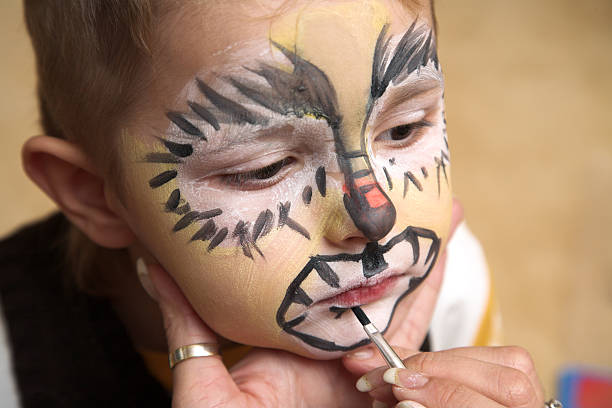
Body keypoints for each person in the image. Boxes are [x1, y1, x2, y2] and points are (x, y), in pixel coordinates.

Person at [0, 0, 552, 406]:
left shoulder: (453, 287)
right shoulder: (12, 362)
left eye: (405, 129)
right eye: (262, 167)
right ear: (95, 195)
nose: (375, 215)